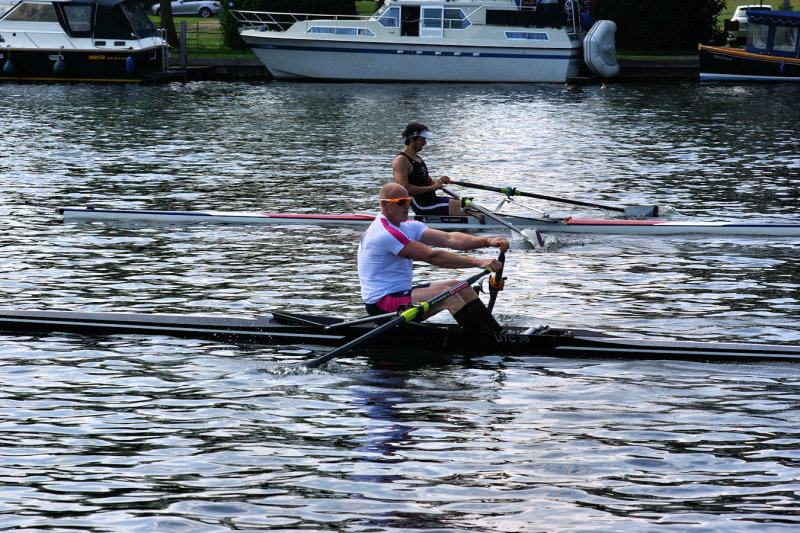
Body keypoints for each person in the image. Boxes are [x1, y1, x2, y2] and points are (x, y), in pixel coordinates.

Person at [358, 183, 509, 333]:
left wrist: (487, 242)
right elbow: (432, 256)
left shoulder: (408, 226)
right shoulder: (385, 233)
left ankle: (497, 333)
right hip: (382, 305)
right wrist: (478, 262)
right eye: (402, 202)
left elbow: (449, 239)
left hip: (400, 294)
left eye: (409, 201)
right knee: (447, 294)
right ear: (384, 205)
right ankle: (485, 339)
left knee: (460, 286)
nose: (407, 206)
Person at [392, 122, 462, 216]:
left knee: (469, 205)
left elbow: (429, 182)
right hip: (423, 206)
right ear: (412, 139)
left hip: (433, 201)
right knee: (468, 209)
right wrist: (432, 187)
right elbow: (404, 189)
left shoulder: (418, 159)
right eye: (422, 139)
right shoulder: (401, 160)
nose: (425, 143)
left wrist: (440, 181)